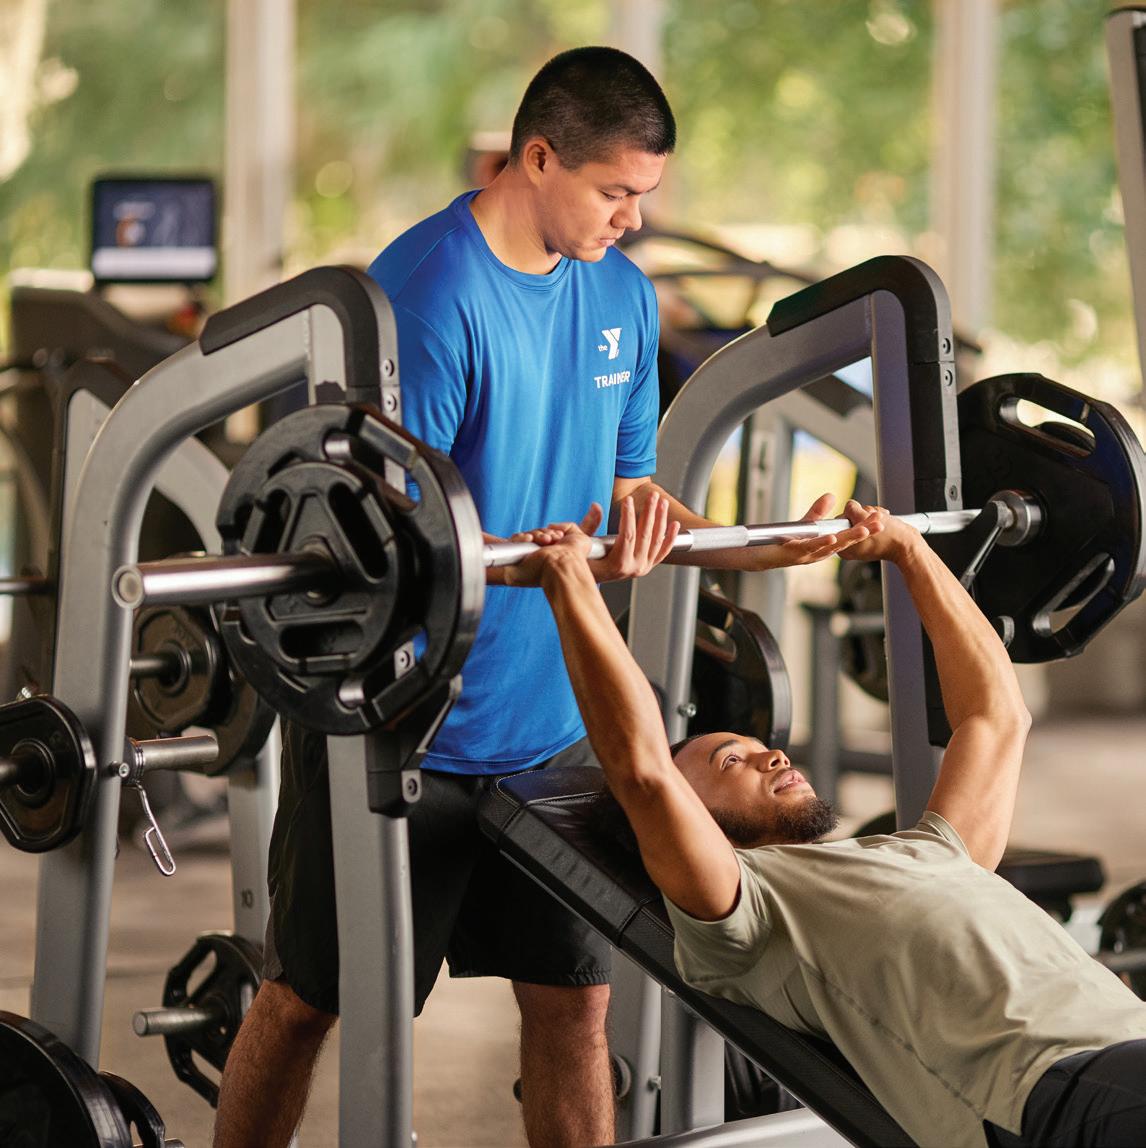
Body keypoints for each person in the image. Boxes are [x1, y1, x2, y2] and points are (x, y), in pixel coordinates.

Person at [214, 46, 873, 1148]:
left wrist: (764, 548)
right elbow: (394, 548)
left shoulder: (620, 292)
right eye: (615, 191)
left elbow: (630, 499)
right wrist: (569, 562)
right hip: (409, 723)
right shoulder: (426, 297)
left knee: (574, 1005)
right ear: (537, 158)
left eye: (644, 195)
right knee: (308, 1001)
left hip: (556, 729)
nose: (634, 220)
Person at [506, 500, 1146, 1148]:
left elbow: (997, 716)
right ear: (688, 814)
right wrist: (572, 587)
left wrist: (909, 552)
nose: (774, 755)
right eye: (732, 760)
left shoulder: (934, 849)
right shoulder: (747, 913)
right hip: (1050, 1089)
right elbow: (643, 773)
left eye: (759, 747)